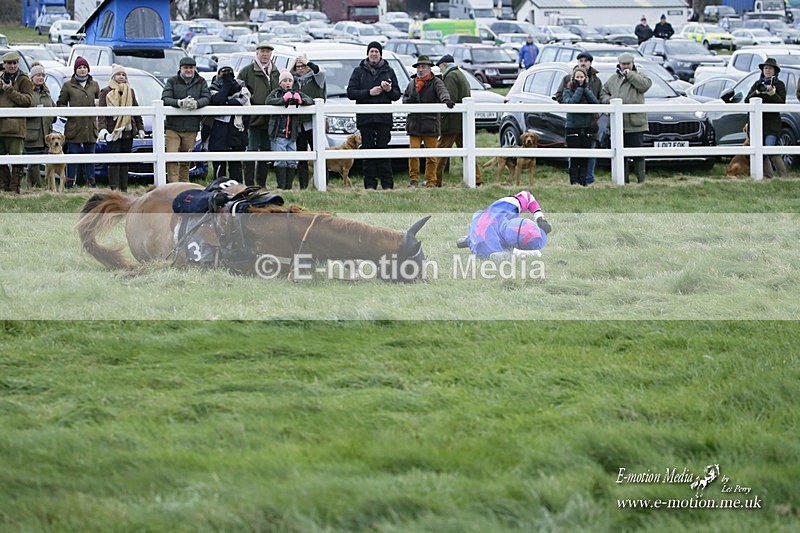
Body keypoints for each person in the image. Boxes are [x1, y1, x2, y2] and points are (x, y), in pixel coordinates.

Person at [347, 41, 401, 190]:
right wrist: (368, 93)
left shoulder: (388, 71)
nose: (374, 54)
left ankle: (387, 185)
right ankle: (369, 185)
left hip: (383, 119)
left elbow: (396, 95)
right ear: (368, 53)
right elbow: (351, 92)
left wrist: (389, 90)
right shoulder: (358, 71)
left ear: (380, 54)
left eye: (376, 51)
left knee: (383, 151)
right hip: (366, 119)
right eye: (371, 51)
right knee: (368, 152)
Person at [402, 55, 454, 188]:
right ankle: (413, 180)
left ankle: (431, 181)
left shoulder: (436, 81)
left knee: (431, 155)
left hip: (430, 124)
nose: (420, 69)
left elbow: (442, 92)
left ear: (429, 68)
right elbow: (405, 98)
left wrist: (446, 100)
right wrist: (409, 101)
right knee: (413, 153)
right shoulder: (412, 83)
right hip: (414, 124)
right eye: (419, 67)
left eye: (423, 67)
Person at [600, 52, 652, 183]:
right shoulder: (612, 79)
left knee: (637, 153)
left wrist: (630, 75)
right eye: (623, 64)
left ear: (633, 64)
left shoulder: (639, 76)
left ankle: (641, 180)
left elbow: (645, 85)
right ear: (619, 64)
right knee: (620, 154)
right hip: (618, 124)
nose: (625, 66)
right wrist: (610, 101)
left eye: (628, 64)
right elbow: (603, 93)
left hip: (635, 123)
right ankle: (624, 180)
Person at [553, 52, 602, 185]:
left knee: (589, 153)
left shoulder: (596, 80)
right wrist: (570, 108)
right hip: (573, 122)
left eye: (586, 60)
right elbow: (561, 97)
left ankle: (587, 180)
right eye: (581, 60)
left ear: (590, 63)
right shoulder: (567, 80)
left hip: (590, 122)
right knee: (574, 154)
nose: (583, 62)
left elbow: (598, 98)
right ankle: (574, 181)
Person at [458, 191, 552, 259]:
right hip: (483, 241)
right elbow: (494, 256)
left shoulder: (508, 205)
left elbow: (527, 196)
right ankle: (468, 239)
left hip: (479, 224)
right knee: (535, 254)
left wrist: (540, 218)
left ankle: (468, 239)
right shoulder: (493, 249)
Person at [434, 54, 482, 187]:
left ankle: (434, 180)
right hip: (462, 122)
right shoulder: (459, 74)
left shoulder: (450, 76)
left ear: (444, 64)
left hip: (452, 122)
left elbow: (451, 98)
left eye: (440, 67)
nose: (440, 70)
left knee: (440, 151)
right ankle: (477, 179)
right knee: (467, 151)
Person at [161, 56, 210, 183]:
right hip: (173, 127)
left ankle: (183, 185)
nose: (188, 70)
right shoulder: (172, 81)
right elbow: (165, 98)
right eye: (186, 68)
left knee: (186, 160)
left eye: (191, 68)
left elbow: (207, 97)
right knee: (172, 157)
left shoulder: (201, 81)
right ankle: (172, 185)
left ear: (195, 68)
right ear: (180, 69)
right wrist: (179, 103)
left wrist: (197, 104)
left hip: (191, 127)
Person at [238, 42, 280, 188]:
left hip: (271, 120)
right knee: (251, 150)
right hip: (253, 119)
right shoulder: (246, 71)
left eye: (268, 52)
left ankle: (261, 183)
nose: (265, 54)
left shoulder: (276, 72)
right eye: (262, 51)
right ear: (257, 53)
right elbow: (240, 93)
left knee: (267, 151)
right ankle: (249, 184)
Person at [97, 64, 145, 192]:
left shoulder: (131, 91)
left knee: (125, 161)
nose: (121, 77)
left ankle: (124, 189)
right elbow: (101, 114)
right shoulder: (105, 92)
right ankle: (114, 189)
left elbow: (136, 110)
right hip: (113, 131)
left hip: (128, 130)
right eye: (118, 74)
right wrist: (103, 130)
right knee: (114, 161)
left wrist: (140, 127)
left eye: (123, 75)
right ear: (113, 76)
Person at [265, 69, 313, 189]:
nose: (288, 83)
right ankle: (281, 186)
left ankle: (289, 186)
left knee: (292, 161)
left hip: (292, 135)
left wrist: (300, 101)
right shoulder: (276, 93)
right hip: (278, 134)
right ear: (280, 83)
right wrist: (283, 100)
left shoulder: (296, 93)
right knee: (280, 160)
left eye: (290, 80)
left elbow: (310, 100)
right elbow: (268, 101)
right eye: (285, 80)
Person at [57, 56, 99, 188]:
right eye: (80, 67)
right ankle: (70, 182)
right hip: (74, 127)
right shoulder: (68, 85)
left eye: (84, 67)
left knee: (90, 156)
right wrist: (69, 112)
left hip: (90, 127)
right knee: (73, 156)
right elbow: (60, 104)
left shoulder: (94, 85)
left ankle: (90, 182)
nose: (82, 70)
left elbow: (99, 101)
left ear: (88, 69)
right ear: (75, 70)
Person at [205, 63, 251, 182]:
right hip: (218, 129)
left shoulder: (240, 85)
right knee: (219, 162)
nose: (227, 76)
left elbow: (244, 100)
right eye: (224, 73)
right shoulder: (213, 87)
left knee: (236, 163)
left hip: (237, 127)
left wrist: (226, 102)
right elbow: (216, 100)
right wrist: (226, 87)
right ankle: (218, 188)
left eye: (229, 73)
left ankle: (238, 189)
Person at [291, 52, 326, 189]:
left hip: (313, 123)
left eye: (303, 66)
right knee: (301, 155)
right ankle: (303, 186)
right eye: (298, 66)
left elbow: (319, 71)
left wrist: (308, 62)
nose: (300, 68)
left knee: (319, 153)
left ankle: (322, 183)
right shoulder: (292, 80)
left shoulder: (317, 78)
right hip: (298, 124)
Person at [748, 58, 786, 179]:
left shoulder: (779, 84)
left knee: (770, 148)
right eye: (765, 68)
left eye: (770, 68)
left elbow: (781, 103)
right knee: (760, 151)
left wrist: (772, 93)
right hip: (758, 123)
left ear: (775, 70)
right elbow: (747, 100)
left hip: (772, 124)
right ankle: (768, 176)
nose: (767, 70)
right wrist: (758, 92)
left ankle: (783, 176)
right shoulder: (757, 84)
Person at [24, 63, 52, 189]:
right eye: (38, 75)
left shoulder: (47, 92)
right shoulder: (28, 91)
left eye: (42, 75)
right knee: (33, 162)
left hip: (45, 132)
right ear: (32, 77)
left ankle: (32, 186)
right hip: (32, 132)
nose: (41, 78)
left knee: (41, 160)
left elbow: (53, 107)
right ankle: (38, 186)